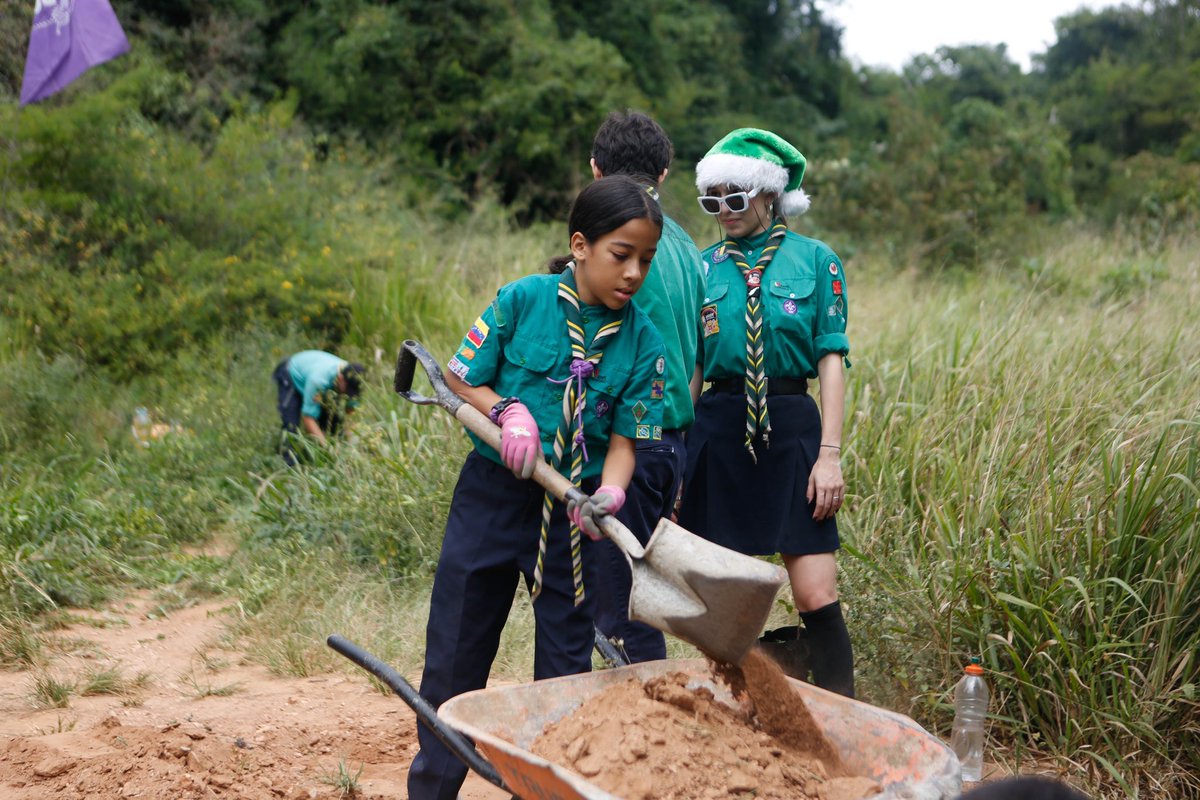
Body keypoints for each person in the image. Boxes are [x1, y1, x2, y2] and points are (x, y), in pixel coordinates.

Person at [407, 175, 666, 800]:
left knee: (565, 671)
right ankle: (433, 789)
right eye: (621, 255)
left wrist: (610, 495)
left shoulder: (644, 344)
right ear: (580, 245)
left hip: (572, 515)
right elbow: (462, 378)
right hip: (492, 498)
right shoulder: (521, 301)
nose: (633, 273)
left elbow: (626, 442)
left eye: (646, 259)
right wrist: (508, 411)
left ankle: (550, 791)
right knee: (456, 650)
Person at [677, 128, 855, 697]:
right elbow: (695, 366)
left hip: (793, 428)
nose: (724, 211)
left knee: (816, 594)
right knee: (721, 602)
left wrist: (829, 455)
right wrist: (677, 455)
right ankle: (734, 712)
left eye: (735, 197)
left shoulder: (817, 261)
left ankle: (842, 715)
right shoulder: (702, 268)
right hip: (718, 430)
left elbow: (831, 359)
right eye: (713, 201)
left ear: (770, 195)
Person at [587, 110, 707, 664]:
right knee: (637, 591)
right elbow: (697, 360)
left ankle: (649, 710)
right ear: (663, 173)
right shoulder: (684, 246)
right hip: (672, 441)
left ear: (596, 170)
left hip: (628, 441)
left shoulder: (617, 239)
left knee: (620, 605)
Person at [271, 349, 365, 465]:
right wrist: (329, 450)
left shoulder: (353, 377)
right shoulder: (319, 380)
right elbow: (308, 419)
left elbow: (350, 416)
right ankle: (287, 464)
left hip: (314, 376)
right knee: (291, 426)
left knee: (335, 424)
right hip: (291, 374)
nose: (348, 395)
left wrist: (353, 446)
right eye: (347, 391)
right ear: (340, 378)